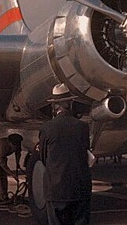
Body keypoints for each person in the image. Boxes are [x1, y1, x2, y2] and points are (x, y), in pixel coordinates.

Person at [39, 83, 92, 225]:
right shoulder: (82, 127)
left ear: (54, 106)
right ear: (70, 103)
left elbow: (43, 158)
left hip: (55, 188)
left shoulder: (47, 128)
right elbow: (86, 153)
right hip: (79, 186)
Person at [0, 133, 23, 203]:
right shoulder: (3, 147)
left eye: (17, 145)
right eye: (14, 145)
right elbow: (3, 165)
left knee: (3, 176)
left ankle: (4, 195)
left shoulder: (17, 144)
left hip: (2, 156)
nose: (15, 147)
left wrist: (17, 163)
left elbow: (18, 153)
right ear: (9, 142)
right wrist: (12, 174)